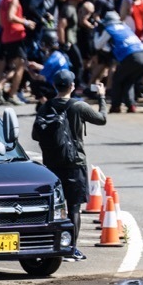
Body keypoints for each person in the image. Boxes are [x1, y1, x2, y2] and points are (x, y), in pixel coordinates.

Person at [32, 71, 106, 249]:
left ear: (55, 86)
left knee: (54, 206)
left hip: (51, 163)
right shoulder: (78, 106)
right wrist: (102, 98)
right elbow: (102, 119)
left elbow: (35, 135)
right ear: (72, 86)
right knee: (74, 207)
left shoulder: (46, 106)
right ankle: (71, 247)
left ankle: (52, 244)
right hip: (74, 162)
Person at [96, 11, 143, 113]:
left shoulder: (109, 29)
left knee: (117, 79)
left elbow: (98, 45)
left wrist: (96, 33)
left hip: (132, 56)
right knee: (129, 80)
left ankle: (116, 106)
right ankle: (131, 105)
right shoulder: (125, 27)